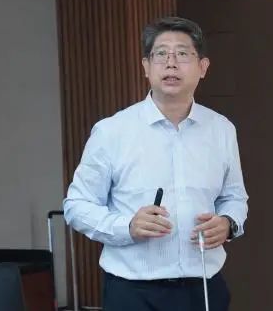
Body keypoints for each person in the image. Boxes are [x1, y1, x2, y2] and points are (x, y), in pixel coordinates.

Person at [64, 16, 248, 311]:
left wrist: (228, 223)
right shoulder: (112, 131)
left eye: (182, 54)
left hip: (203, 288)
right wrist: (127, 226)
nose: (171, 63)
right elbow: (76, 205)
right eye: (161, 54)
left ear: (203, 67)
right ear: (146, 67)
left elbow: (235, 197)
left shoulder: (221, 129)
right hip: (134, 292)